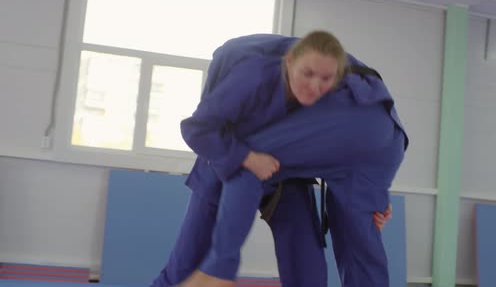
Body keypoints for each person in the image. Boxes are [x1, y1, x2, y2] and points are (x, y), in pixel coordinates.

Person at [151, 31, 395, 287]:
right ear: (289, 62)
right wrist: (245, 156)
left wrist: (373, 197)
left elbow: (343, 154)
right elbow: (195, 128)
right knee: (184, 267)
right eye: (307, 74)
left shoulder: (330, 94)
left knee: (308, 267)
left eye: (324, 78)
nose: (314, 86)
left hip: (285, 175)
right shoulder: (251, 79)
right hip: (226, 164)